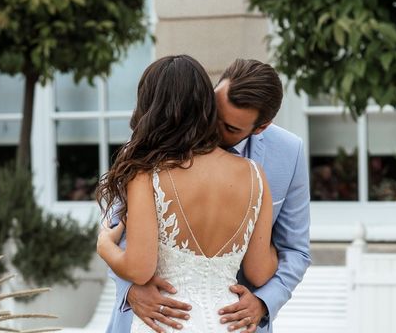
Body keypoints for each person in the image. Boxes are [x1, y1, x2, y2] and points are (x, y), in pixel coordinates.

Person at [104, 58, 311, 333]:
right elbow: (118, 227)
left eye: (230, 128)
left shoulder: (287, 153)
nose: (212, 129)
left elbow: (296, 249)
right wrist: (130, 291)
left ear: (261, 127)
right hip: (154, 318)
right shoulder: (149, 148)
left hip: (236, 322)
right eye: (214, 113)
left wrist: (263, 303)